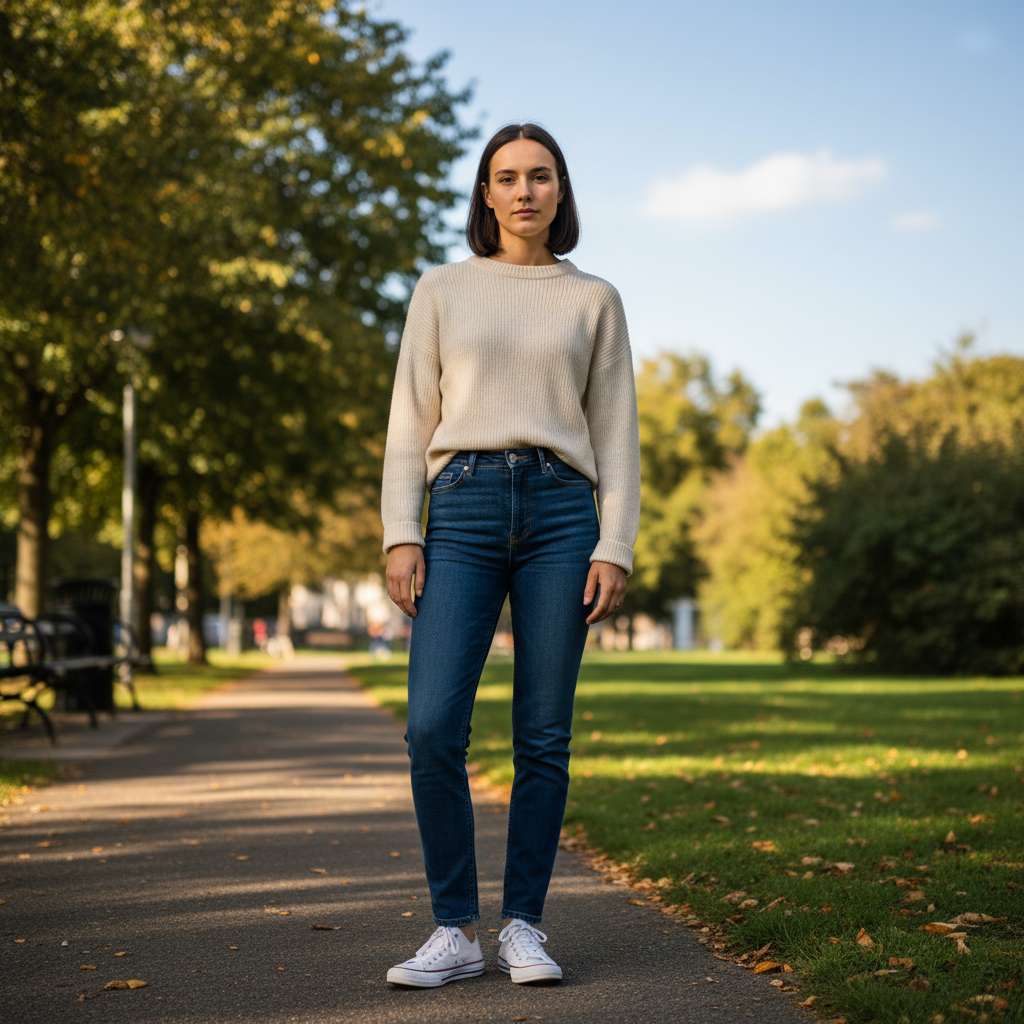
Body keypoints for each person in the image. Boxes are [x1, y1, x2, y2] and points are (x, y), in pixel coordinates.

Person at [379, 122, 641, 988]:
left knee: (543, 733)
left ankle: (523, 924)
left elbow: (616, 430)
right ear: (485, 195)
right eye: (507, 177)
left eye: (541, 176)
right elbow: (411, 417)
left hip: (565, 513)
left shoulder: (593, 298)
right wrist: (401, 531)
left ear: (561, 191)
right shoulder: (442, 290)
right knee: (430, 727)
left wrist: (616, 541)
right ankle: (454, 927)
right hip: (463, 505)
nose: (524, 191)